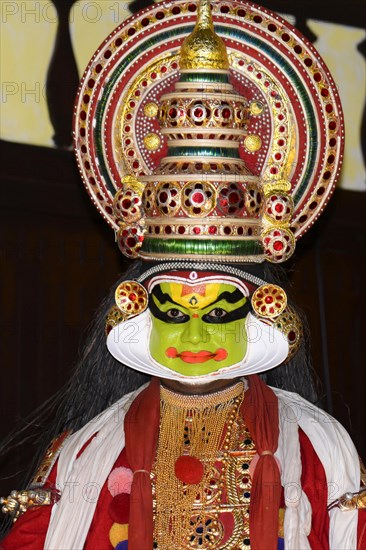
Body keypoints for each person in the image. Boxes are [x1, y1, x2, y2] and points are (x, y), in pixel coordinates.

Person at [1, 1, 365, 548]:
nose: (194, 336)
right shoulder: (89, 455)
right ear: (137, 311)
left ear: (263, 313)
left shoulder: (318, 448)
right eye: (174, 310)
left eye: (219, 310)